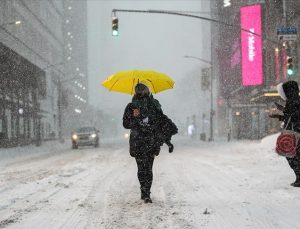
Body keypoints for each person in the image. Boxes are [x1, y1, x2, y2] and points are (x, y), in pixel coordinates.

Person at [123, 83, 177, 203]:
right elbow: (126, 124)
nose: (141, 93)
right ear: (135, 92)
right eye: (139, 90)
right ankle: (144, 191)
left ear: (147, 91)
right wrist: (134, 117)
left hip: (151, 142)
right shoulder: (131, 107)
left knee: (148, 168)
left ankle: (147, 193)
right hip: (137, 142)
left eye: (143, 90)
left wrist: (168, 140)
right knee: (141, 169)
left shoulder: (154, 105)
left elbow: (161, 123)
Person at [269, 80, 300, 187]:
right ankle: (299, 177)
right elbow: (292, 116)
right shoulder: (295, 100)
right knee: (293, 155)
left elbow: (293, 117)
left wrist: (283, 112)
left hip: (295, 133)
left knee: (292, 155)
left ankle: (299, 178)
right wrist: (281, 114)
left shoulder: (293, 101)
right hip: (296, 132)